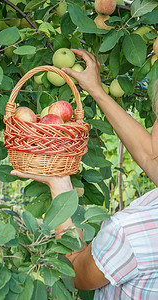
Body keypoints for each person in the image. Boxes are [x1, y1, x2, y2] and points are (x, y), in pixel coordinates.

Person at [11, 49, 158, 299]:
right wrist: (96, 90)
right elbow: (150, 156)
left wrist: (60, 187)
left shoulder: (131, 232)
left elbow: (75, 272)